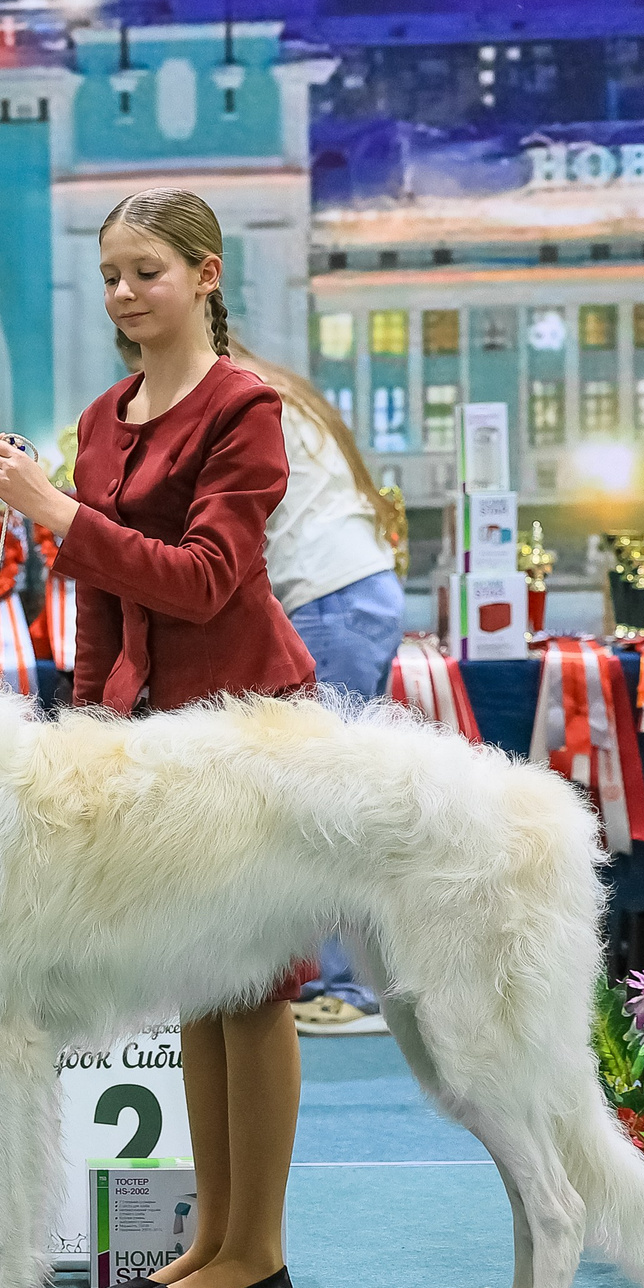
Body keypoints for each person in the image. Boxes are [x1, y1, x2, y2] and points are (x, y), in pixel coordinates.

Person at [0, 187, 315, 1288]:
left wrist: (57, 512)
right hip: (153, 744)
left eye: (147, 273)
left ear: (206, 275)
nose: (123, 294)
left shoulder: (244, 409)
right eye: (111, 274)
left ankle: (252, 1252)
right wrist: (86, 729)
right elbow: (101, 599)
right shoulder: (105, 416)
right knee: (198, 987)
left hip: (252, 727)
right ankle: (213, 1238)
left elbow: (208, 578)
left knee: (253, 988)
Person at [239, 340, 408, 1038]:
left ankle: (342, 986)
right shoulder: (276, 384)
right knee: (342, 793)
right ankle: (355, 979)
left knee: (322, 802)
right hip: (360, 589)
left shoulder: (235, 395)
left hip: (327, 600)